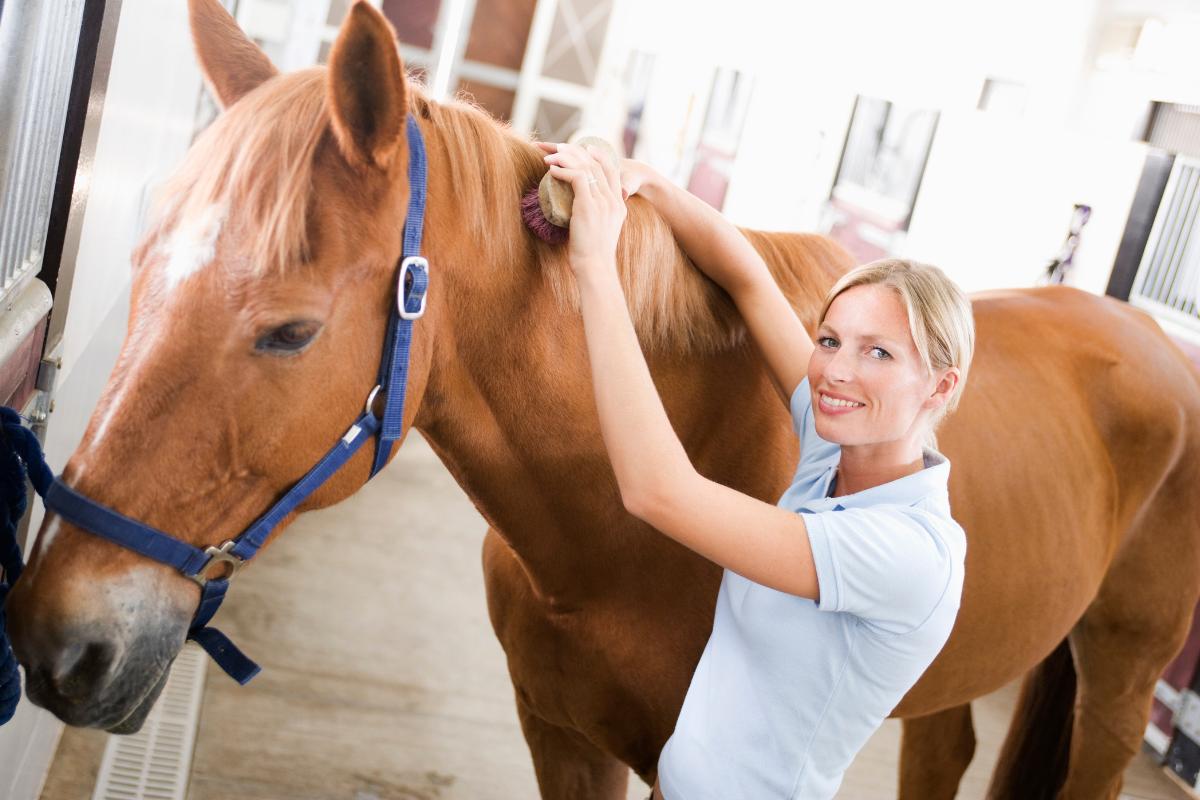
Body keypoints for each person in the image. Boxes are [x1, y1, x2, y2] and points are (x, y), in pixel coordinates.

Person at [535, 140, 974, 800]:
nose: (835, 371)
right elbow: (745, 277)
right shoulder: (834, 452)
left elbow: (658, 491)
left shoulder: (910, 551)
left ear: (939, 388)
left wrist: (596, 264)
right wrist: (648, 182)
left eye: (877, 352)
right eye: (830, 340)